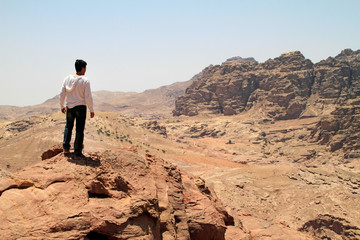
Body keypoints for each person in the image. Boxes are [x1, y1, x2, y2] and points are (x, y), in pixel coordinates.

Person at [60, 59, 95, 157]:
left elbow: (62, 93)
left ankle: (66, 148)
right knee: (79, 129)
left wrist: (62, 105)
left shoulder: (67, 79)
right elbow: (88, 97)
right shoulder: (85, 80)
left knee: (68, 126)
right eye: (85, 68)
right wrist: (91, 109)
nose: (85, 70)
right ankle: (77, 151)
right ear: (83, 68)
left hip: (69, 107)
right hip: (81, 107)